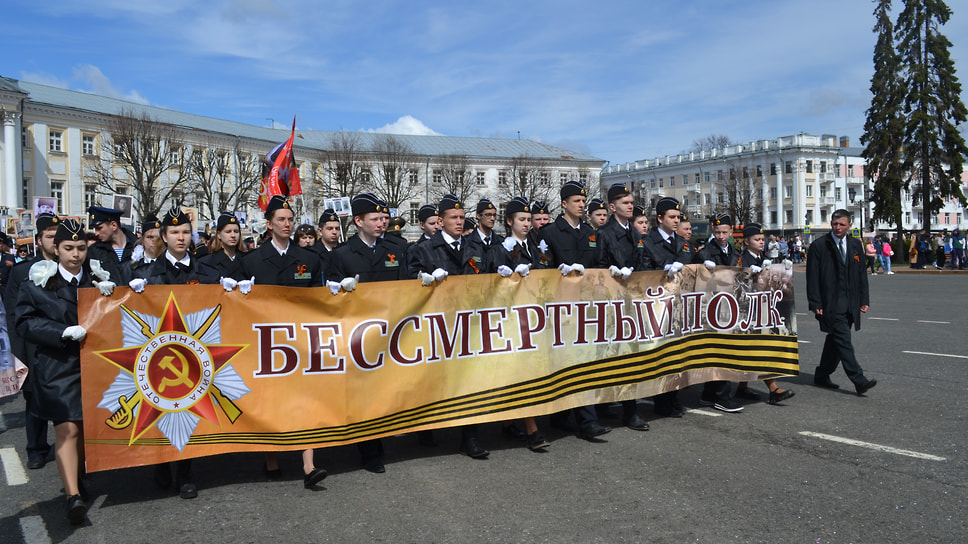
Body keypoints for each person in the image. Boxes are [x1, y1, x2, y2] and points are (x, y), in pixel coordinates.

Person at [16, 218, 115, 524]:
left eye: (81, 248)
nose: (75, 255)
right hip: (58, 366)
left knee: (85, 428)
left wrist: (122, 294)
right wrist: (59, 332)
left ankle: (79, 476)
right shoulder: (37, 285)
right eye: (68, 248)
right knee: (67, 428)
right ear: (55, 250)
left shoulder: (99, 280)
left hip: (94, 365)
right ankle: (72, 496)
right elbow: (24, 322)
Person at [129, 206, 221, 500]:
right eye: (174, 233)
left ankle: (185, 473)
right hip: (157, 354)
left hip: (194, 352)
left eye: (185, 232)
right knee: (160, 410)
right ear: (164, 237)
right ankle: (161, 462)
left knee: (186, 413)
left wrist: (232, 291)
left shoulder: (206, 272)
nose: (181, 238)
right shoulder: (146, 274)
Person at [241, 195, 327, 489]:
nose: (287, 224)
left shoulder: (309, 259)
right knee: (271, 400)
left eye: (290, 220)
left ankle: (309, 464)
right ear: (269, 224)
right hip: (266, 344)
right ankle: (272, 457)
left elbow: (318, 298)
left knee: (307, 400)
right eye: (281, 220)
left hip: (301, 342)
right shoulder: (250, 260)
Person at [407, 194, 492, 458]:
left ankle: (470, 437)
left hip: (468, 322)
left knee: (469, 381)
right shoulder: (424, 249)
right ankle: (426, 425)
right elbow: (408, 283)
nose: (459, 221)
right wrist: (425, 278)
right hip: (438, 324)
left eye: (461, 217)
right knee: (435, 379)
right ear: (440, 221)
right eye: (453, 217)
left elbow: (485, 278)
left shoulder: (474, 247)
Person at [329, 193, 405, 473]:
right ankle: (369, 450)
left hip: (390, 330)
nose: (380, 223)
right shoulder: (342, 254)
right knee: (364, 392)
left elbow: (405, 286)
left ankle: (380, 435)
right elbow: (328, 295)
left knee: (385, 389)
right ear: (358, 221)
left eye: (382, 218)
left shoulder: (395, 249)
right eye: (373, 219)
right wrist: (339, 289)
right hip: (357, 334)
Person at [537, 181, 611, 439]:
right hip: (559, 308)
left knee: (581, 362)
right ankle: (566, 417)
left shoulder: (591, 234)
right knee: (563, 362)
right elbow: (542, 270)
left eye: (583, 201)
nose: (582, 205)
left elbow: (600, 263)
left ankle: (586, 420)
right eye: (577, 201)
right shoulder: (549, 233)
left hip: (585, 307)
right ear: (564, 204)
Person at [487, 196, 552, 451]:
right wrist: (505, 276)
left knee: (524, 372)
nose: (526, 224)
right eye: (521, 219)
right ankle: (532, 429)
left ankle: (508, 422)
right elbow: (489, 284)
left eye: (528, 220)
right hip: (511, 319)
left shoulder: (535, 248)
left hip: (534, 317)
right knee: (520, 372)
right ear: (509, 221)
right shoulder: (500, 248)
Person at [4, 213, 60, 470]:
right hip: (33, 347)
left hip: (62, 345)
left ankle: (68, 448)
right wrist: (18, 357)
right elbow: (15, 317)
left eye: (56, 236)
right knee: (34, 400)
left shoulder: (69, 266)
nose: (54, 241)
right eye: (49, 236)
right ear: (39, 240)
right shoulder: (21, 271)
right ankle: (36, 448)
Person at [593, 184, 650, 432]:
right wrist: (612, 274)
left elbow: (644, 261)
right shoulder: (604, 234)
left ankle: (630, 410)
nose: (630, 206)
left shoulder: (636, 235)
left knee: (630, 355)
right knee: (608, 354)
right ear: (612, 207)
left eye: (631, 202)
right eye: (625, 203)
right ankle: (601, 405)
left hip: (631, 301)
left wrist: (638, 275)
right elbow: (598, 265)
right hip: (610, 302)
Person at [806, 209, 877, 396]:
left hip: (851, 303)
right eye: (835, 224)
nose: (837, 228)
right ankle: (859, 380)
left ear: (849, 226)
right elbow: (812, 277)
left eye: (842, 224)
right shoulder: (819, 246)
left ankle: (822, 374)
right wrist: (815, 302)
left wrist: (864, 299)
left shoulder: (855, 245)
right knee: (844, 341)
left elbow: (861, 274)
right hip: (830, 303)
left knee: (835, 341)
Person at [638, 197, 693, 417]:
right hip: (657, 304)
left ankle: (673, 397)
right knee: (660, 353)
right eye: (671, 217)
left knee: (677, 352)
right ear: (659, 218)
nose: (676, 221)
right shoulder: (648, 241)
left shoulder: (680, 241)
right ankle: (661, 400)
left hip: (678, 304)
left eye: (678, 217)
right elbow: (643, 269)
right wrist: (663, 269)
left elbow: (690, 262)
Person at [734, 223, 795, 404]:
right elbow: (737, 281)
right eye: (757, 239)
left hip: (763, 308)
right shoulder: (741, 259)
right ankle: (773, 388)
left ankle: (743, 387)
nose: (761, 242)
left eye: (762, 239)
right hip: (747, 310)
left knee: (756, 347)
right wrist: (750, 273)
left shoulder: (763, 257)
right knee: (755, 348)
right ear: (746, 241)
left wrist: (782, 269)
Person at [693, 213, 744, 412]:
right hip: (712, 307)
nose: (721, 236)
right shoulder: (706, 253)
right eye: (717, 232)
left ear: (731, 232)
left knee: (719, 350)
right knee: (721, 351)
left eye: (724, 232)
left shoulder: (732, 250)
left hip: (728, 305)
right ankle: (723, 397)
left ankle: (708, 394)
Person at [200, 211, 248, 281]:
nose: (233, 235)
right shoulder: (206, 263)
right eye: (228, 232)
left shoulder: (247, 260)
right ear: (219, 235)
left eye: (236, 231)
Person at [310, 209, 342, 278]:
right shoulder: (312, 253)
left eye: (337, 228)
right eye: (330, 228)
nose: (334, 232)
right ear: (320, 231)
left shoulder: (344, 251)